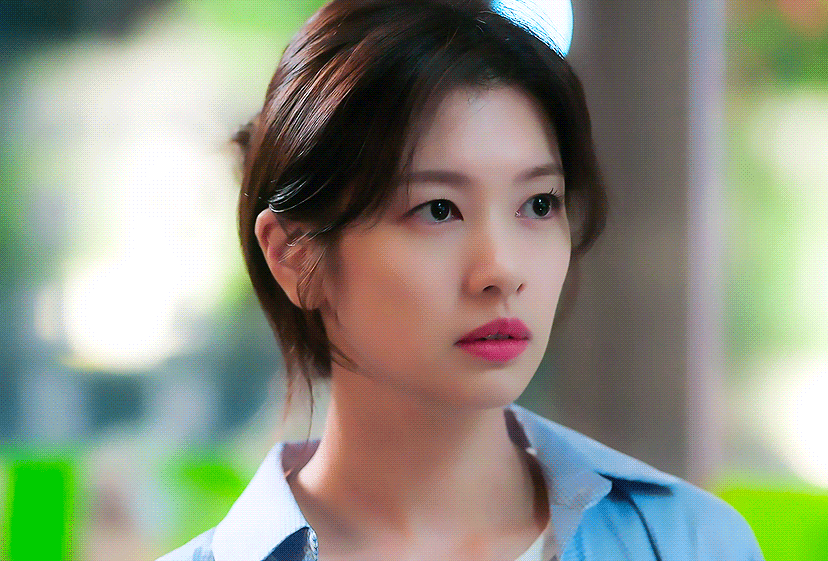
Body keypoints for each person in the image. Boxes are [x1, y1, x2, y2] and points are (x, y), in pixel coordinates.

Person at [159, 1, 764, 559]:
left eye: (539, 204)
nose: (501, 271)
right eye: (438, 210)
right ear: (293, 255)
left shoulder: (688, 543)